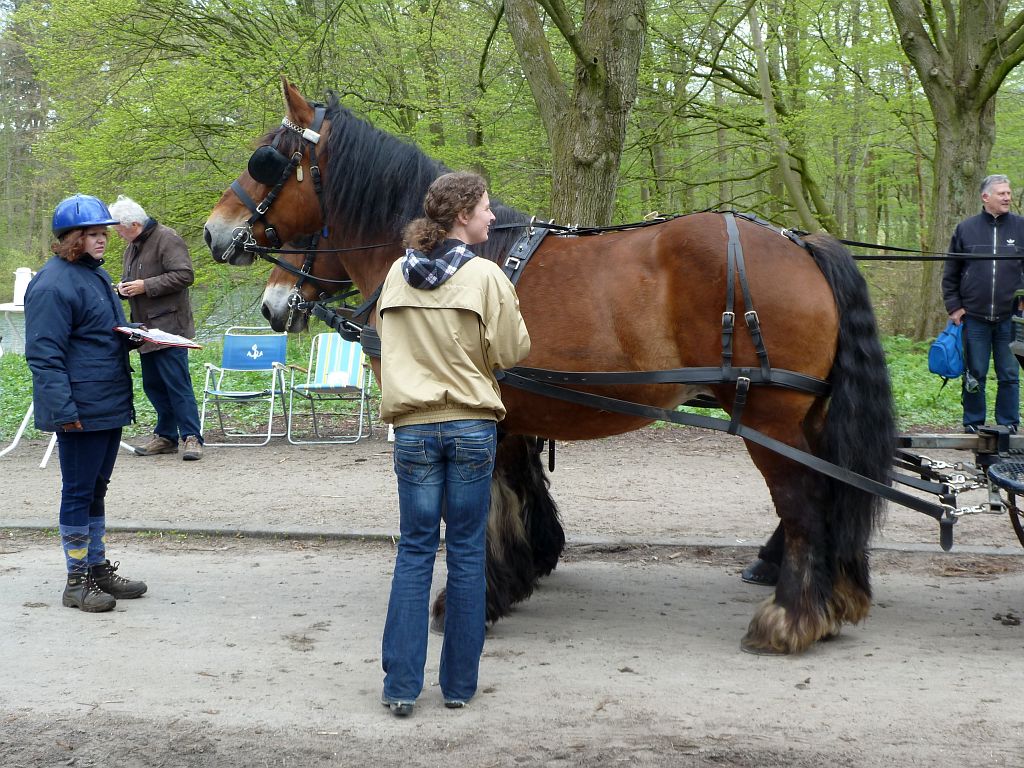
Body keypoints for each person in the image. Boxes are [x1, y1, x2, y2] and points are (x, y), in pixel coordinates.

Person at [377, 172, 531, 717]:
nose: (493, 217)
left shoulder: (396, 273)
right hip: (469, 425)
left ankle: (399, 687)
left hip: (414, 428)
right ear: (463, 214)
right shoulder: (486, 276)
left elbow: (387, 342)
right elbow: (513, 350)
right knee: (467, 553)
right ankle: (459, 686)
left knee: (414, 552)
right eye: (486, 208)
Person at [24, 194, 149, 612]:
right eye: (94, 234)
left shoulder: (94, 275)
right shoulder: (52, 284)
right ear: (71, 238)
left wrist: (133, 333)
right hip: (79, 406)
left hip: (107, 398)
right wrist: (64, 412)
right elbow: (44, 355)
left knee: (97, 488)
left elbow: (98, 331)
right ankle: (76, 580)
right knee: (77, 492)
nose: (103, 240)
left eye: (104, 233)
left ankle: (96, 569)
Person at [108, 195, 204, 460]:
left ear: (134, 224)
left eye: (119, 230)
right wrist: (124, 288)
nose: (117, 235)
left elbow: (185, 275)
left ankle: (192, 437)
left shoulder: (167, 238)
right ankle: (166, 436)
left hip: (170, 328)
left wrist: (144, 286)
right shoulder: (132, 247)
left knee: (177, 384)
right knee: (154, 385)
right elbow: (135, 281)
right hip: (146, 330)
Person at [942, 174, 1024, 434]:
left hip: (1010, 319)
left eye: (1009, 193)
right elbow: (951, 272)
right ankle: (973, 422)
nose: (1007, 197)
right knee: (974, 373)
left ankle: (1008, 423)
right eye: (1001, 193)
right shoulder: (965, 229)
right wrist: (955, 307)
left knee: (1009, 374)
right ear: (985, 197)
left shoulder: (1021, 228)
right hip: (974, 317)